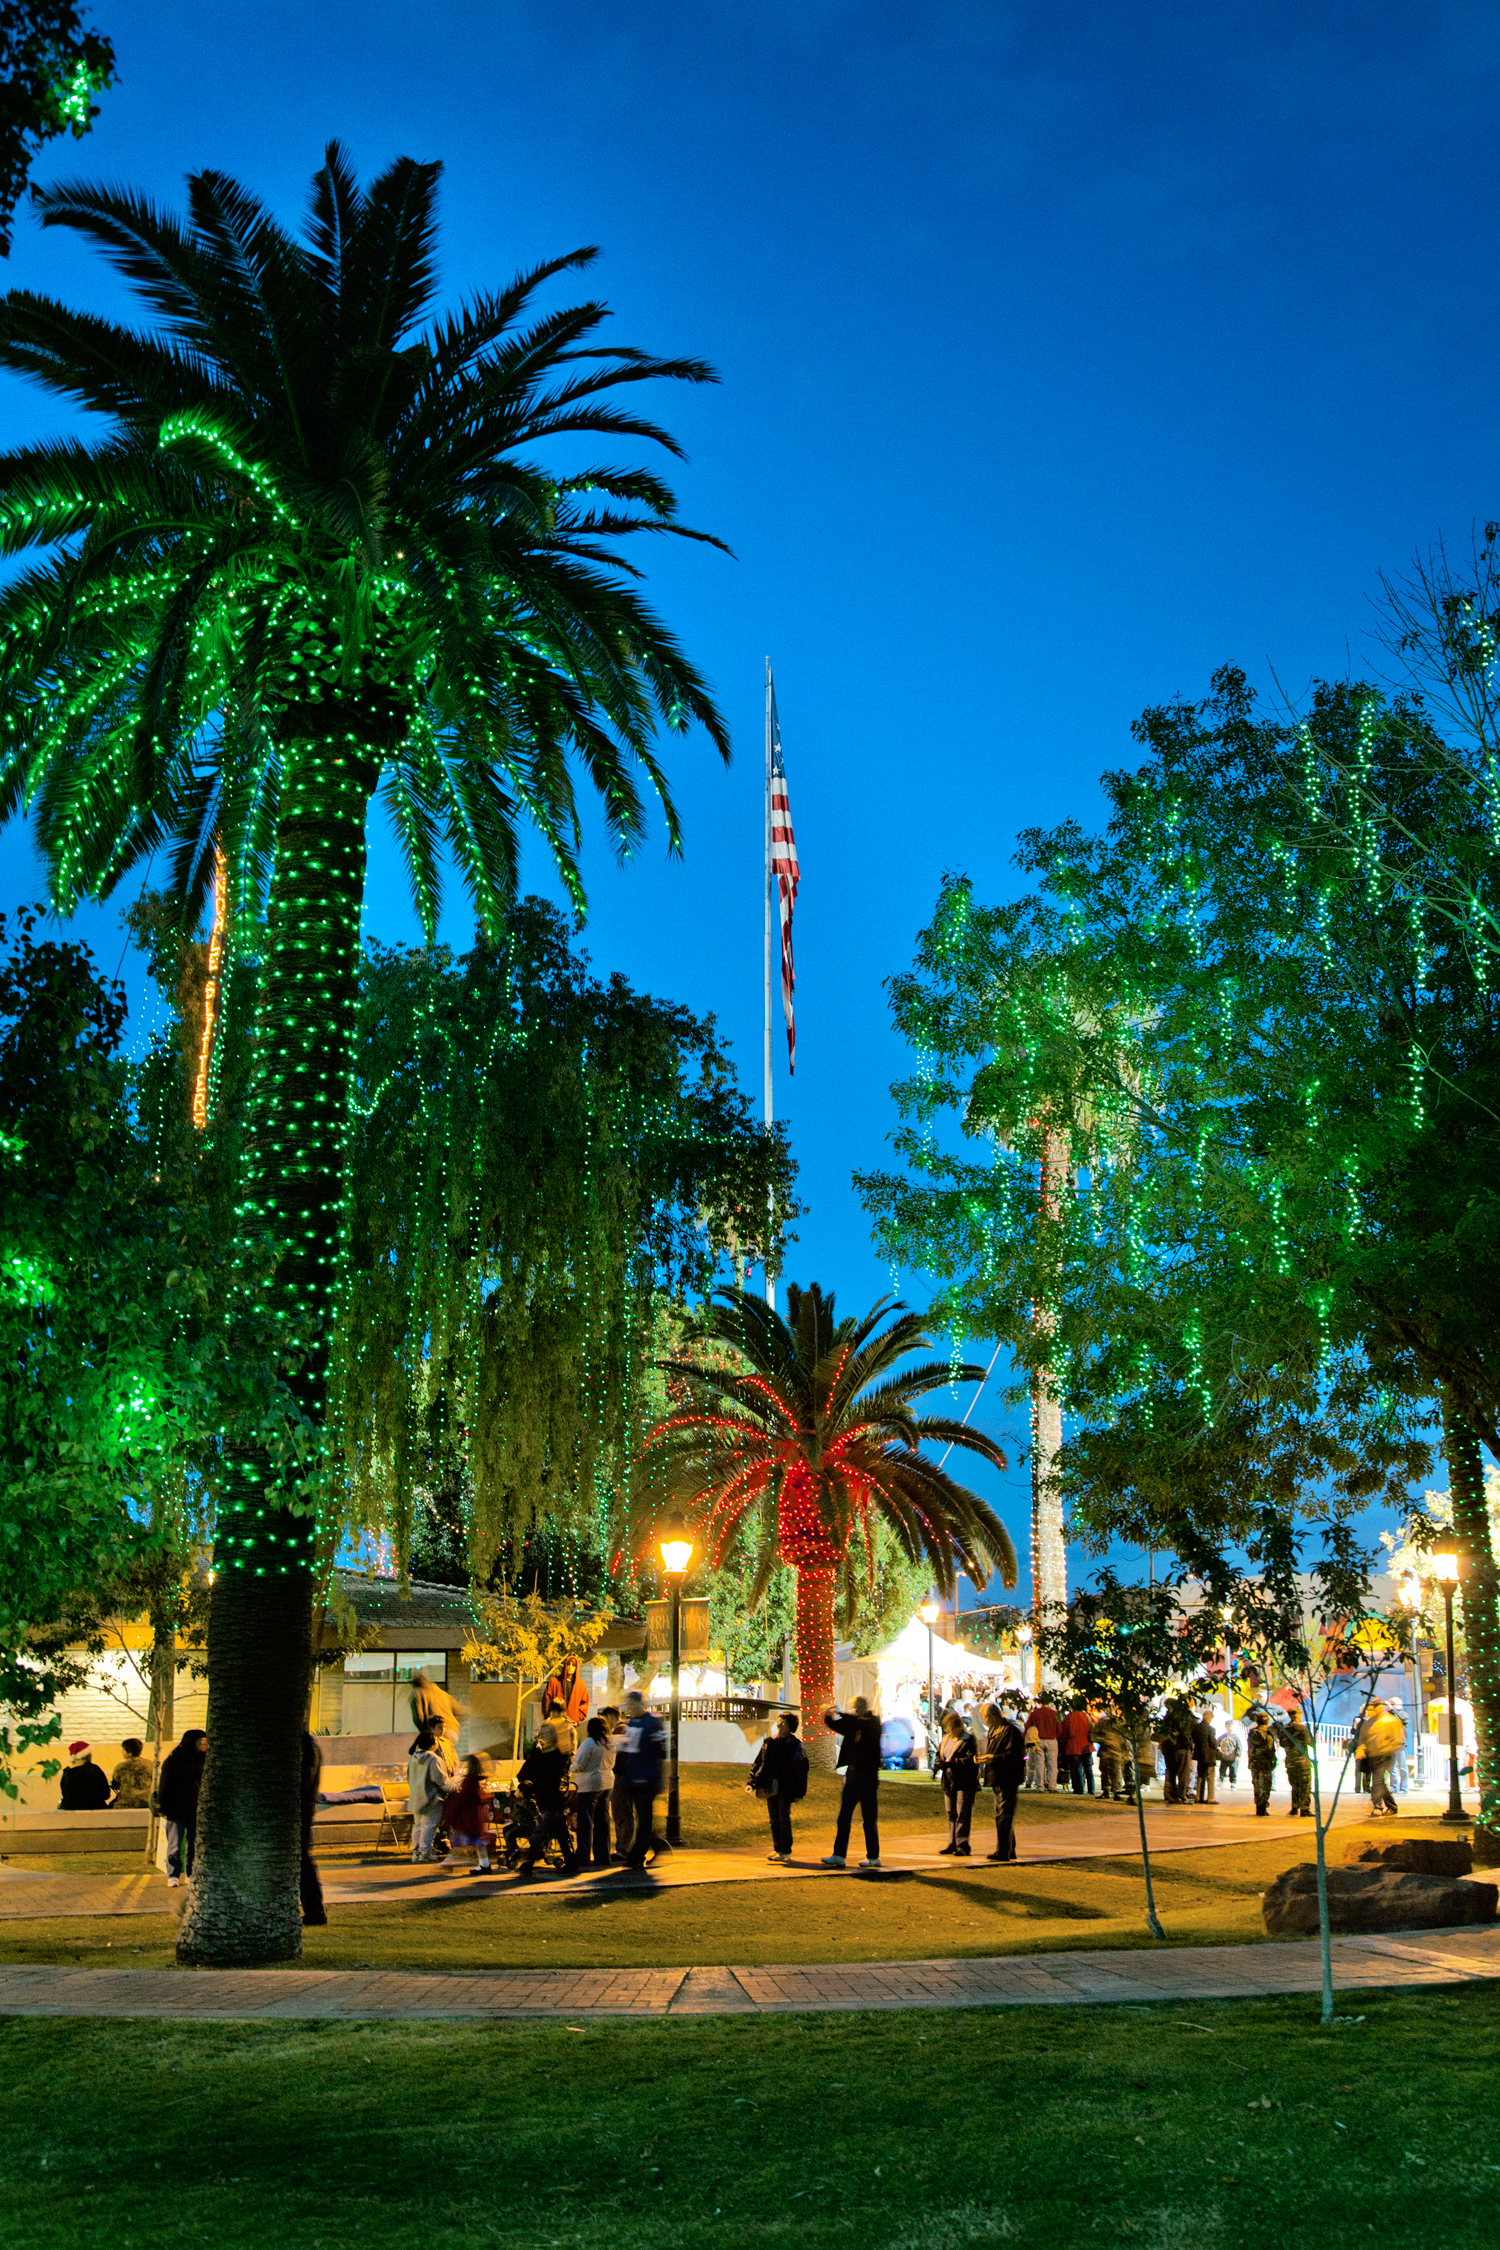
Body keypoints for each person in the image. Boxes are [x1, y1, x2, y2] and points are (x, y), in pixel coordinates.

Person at [821, 1694, 883, 1869]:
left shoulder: (872, 1722)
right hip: (853, 1774)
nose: (856, 1710)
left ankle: (873, 1856)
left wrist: (843, 1714)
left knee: (869, 1818)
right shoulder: (855, 1723)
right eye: (855, 1708)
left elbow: (857, 1724)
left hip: (867, 1776)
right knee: (844, 1816)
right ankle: (839, 1854)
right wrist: (829, 1715)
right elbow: (838, 1725)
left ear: (864, 1706)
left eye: (858, 1707)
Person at [516, 1722, 576, 1876]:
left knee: (540, 1831)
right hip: (543, 1798)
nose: (543, 1736)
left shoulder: (556, 1755)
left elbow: (549, 1774)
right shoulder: (539, 1754)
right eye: (542, 1733)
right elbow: (524, 1773)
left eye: (547, 1733)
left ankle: (529, 1863)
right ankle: (570, 1861)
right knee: (560, 1831)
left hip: (552, 1799)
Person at [748, 1711, 808, 1862]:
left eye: (783, 1724)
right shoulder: (770, 1742)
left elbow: (801, 1770)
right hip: (770, 1784)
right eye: (779, 1723)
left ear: (790, 1727)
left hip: (786, 1786)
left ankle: (785, 1850)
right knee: (774, 1818)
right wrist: (751, 1782)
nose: (780, 1726)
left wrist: (799, 1792)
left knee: (783, 1818)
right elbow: (759, 1762)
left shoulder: (795, 1745)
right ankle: (777, 1847)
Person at [619, 1690, 668, 1867]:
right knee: (641, 1817)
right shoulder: (631, 1723)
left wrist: (660, 1777)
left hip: (646, 1778)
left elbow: (661, 1751)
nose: (629, 1707)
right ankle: (657, 1845)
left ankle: (637, 1855)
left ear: (640, 1704)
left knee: (644, 1817)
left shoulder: (653, 1723)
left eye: (631, 1703)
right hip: (633, 1777)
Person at [157, 1728, 207, 1884]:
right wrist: (163, 1806)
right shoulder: (175, 1759)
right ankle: (173, 1875)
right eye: (201, 1742)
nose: (204, 1745)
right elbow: (165, 1784)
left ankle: (191, 1873)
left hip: (195, 1808)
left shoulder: (203, 1759)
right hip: (176, 1808)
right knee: (175, 1844)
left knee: (194, 1843)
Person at [981, 1702, 1026, 1861]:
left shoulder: (1011, 1731)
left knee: (1004, 1815)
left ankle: (1003, 1850)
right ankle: (1009, 1848)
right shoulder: (994, 1730)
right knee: (1001, 1814)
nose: (985, 1721)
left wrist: (994, 1758)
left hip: (1008, 1777)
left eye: (986, 1717)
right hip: (997, 1776)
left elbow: (1014, 1755)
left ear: (994, 1715)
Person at [407, 1721, 456, 1863]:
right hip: (432, 1798)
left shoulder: (413, 1758)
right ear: (432, 1743)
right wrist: (454, 1787)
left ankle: (416, 1853)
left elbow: (409, 1777)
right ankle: (426, 1853)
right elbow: (441, 1780)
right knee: (429, 1825)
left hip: (417, 1796)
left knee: (418, 1826)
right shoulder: (434, 1759)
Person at [570, 1716, 615, 1868]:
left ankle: (583, 1855)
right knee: (603, 1820)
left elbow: (580, 1764)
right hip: (607, 1782)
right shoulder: (609, 1743)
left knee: (585, 1821)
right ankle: (603, 1855)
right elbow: (612, 1763)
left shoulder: (589, 1743)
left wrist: (571, 1767)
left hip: (589, 1785)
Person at [935, 1709, 980, 1855]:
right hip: (949, 1781)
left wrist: (952, 1764)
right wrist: (938, 1764)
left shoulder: (968, 1740)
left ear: (958, 1726)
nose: (949, 1731)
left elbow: (970, 1761)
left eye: (951, 1728)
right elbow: (939, 1754)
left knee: (963, 1813)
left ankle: (962, 1844)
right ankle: (952, 1842)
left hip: (965, 1781)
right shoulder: (946, 1739)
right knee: (951, 1813)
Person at [445, 1754, 496, 1874]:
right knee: (476, 1840)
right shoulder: (475, 1779)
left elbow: (465, 1797)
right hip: (474, 1813)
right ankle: (484, 1864)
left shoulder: (469, 1780)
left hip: (468, 1814)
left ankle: (449, 1862)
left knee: (465, 1838)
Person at [1360, 1698, 1405, 1818]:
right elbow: (1363, 1738)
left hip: (1385, 1756)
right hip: (1373, 1756)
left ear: (1379, 1707)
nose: (1369, 1711)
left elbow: (1398, 1739)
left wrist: (1386, 1749)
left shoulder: (1391, 1721)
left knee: (1377, 1781)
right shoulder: (1370, 1722)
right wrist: (1361, 1750)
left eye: (1371, 1709)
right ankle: (1392, 1806)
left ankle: (1377, 1807)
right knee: (1380, 1783)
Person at [301, 1730, 328, 1923]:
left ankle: (314, 1910)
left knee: (301, 1858)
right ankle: (314, 1909)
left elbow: (305, 1778)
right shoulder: (307, 1744)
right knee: (302, 1859)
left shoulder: (306, 1745)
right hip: (302, 1808)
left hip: (300, 1809)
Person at [602, 1704, 634, 1862]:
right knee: (625, 1813)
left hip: (621, 1777)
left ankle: (623, 1849)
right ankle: (626, 1846)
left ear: (610, 1717)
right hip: (628, 1776)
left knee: (621, 1813)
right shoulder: (628, 1728)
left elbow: (610, 1751)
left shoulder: (619, 1730)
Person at [409, 1667, 464, 1748]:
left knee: (434, 1757)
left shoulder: (417, 1694)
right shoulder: (441, 1692)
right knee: (447, 1756)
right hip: (452, 1731)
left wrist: (426, 1733)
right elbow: (458, 1710)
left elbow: (418, 1717)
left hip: (437, 1732)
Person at [1273, 1707, 1313, 1817]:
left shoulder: (1285, 1729)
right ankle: (1304, 1808)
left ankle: (1295, 1807)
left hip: (1290, 1762)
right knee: (1304, 1786)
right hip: (1302, 1762)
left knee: (1295, 1786)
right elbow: (1310, 1743)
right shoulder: (1302, 1728)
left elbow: (1282, 1744)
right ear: (1297, 1716)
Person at [59, 1741, 111, 1811]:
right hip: (96, 1809)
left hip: (70, 1810)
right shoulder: (94, 1769)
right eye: (90, 1753)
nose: (91, 1755)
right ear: (85, 1755)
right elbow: (105, 1794)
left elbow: (64, 1793)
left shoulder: (66, 1773)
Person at [1245, 1706, 1278, 1817]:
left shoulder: (1256, 1733)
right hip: (1262, 1763)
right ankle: (1261, 1808)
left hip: (1259, 1764)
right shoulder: (1259, 1733)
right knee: (1263, 1786)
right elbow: (1265, 1750)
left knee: (1260, 1786)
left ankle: (1261, 1807)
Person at [1024, 1694, 1061, 1792]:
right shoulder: (1054, 1713)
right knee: (1052, 1765)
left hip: (1038, 1740)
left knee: (1039, 1764)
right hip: (1052, 1740)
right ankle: (1052, 1786)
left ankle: (1040, 1786)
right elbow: (1059, 1729)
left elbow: (1028, 1727)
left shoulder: (1035, 1714)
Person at [1058, 1699, 1094, 1795]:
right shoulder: (1087, 1716)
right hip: (1087, 1744)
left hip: (1073, 1745)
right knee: (1088, 1768)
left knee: (1076, 1768)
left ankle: (1079, 1789)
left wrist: (1064, 1745)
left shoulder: (1069, 1717)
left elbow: (1065, 1732)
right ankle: (1091, 1789)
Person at [1092, 1708, 1129, 1801]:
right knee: (1111, 1772)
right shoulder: (1114, 1722)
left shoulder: (1117, 1722)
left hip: (1112, 1751)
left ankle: (1111, 1791)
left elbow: (1094, 1735)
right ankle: (1111, 1791)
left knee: (1112, 1772)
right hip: (1111, 1750)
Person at [108, 1737, 153, 1808]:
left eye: (123, 1750)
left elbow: (115, 1784)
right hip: (146, 1803)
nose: (121, 1752)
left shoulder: (121, 1767)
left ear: (129, 1752)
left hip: (126, 1804)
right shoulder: (150, 1764)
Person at [1192, 1705, 1220, 1805]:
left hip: (1199, 1754)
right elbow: (1212, 1743)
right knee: (1210, 1777)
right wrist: (1218, 1748)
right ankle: (1210, 1798)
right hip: (1209, 1755)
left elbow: (1194, 1740)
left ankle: (1199, 1797)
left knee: (1200, 1776)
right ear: (1210, 1718)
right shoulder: (1211, 1729)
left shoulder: (1196, 1728)